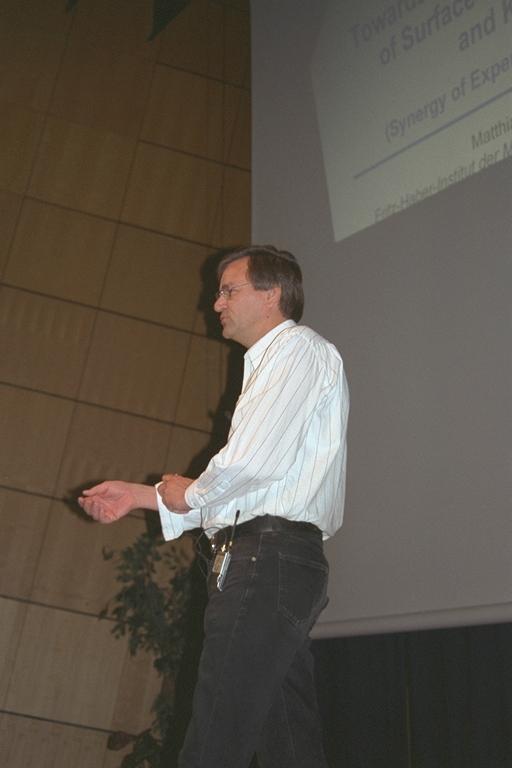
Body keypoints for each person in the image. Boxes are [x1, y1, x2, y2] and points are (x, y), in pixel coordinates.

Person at [79, 245, 349, 768]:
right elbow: (245, 490)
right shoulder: (275, 363)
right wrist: (141, 496)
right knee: (288, 741)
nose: (216, 302)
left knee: (215, 737)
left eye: (229, 290)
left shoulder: (296, 350)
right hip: (274, 560)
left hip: (266, 561)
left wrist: (191, 493)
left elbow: (252, 463)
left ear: (271, 295)